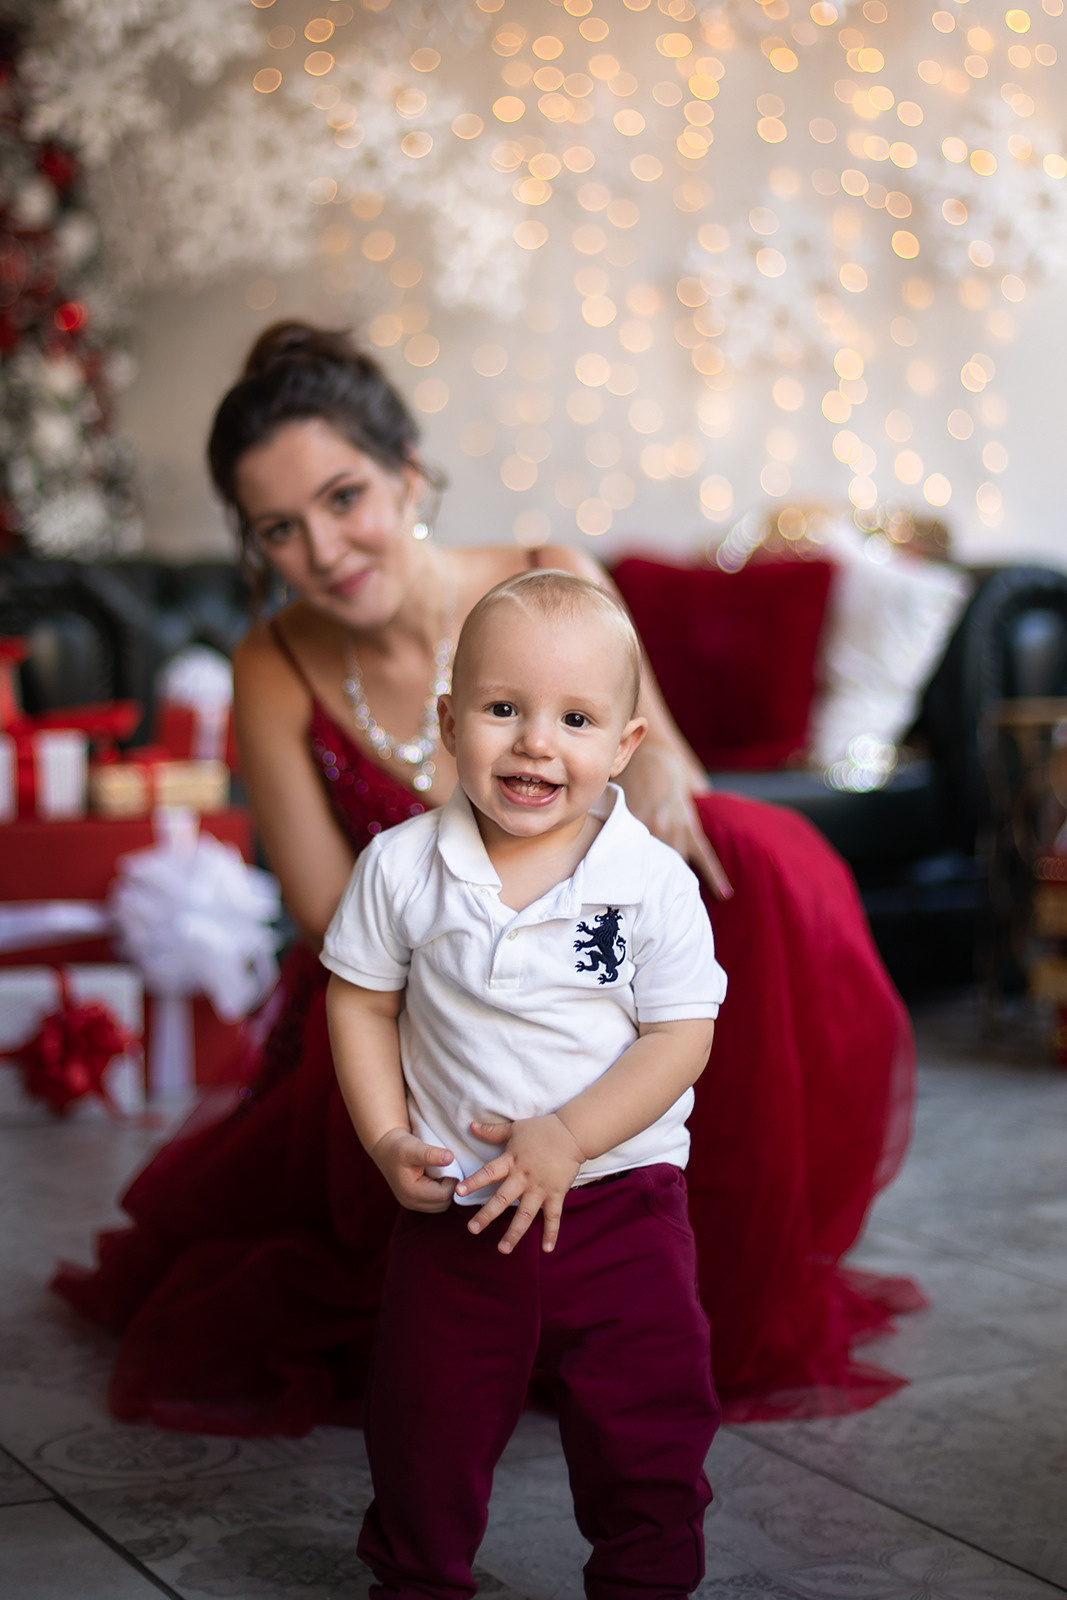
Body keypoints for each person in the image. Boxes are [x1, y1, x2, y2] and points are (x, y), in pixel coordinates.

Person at [53, 321, 921, 1438]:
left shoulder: (545, 580)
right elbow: (330, 913)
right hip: (414, 983)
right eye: (279, 527)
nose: (322, 547)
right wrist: (477, 893)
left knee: (739, 850)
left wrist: (647, 783)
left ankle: (682, 1233)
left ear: (408, 473)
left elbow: (660, 774)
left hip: (590, 951)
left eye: (342, 496)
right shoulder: (272, 662)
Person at [324, 570, 725, 1596]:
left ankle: (645, 1578)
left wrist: (569, 1133)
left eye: (575, 717)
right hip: (460, 1209)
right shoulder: (400, 867)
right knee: (422, 1429)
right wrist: (382, 1138)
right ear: (450, 720)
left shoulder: (649, 883)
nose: (535, 742)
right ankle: (418, 1576)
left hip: (621, 1204)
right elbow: (361, 1001)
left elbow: (679, 1035)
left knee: (650, 1427)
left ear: (625, 744)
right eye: (503, 709)